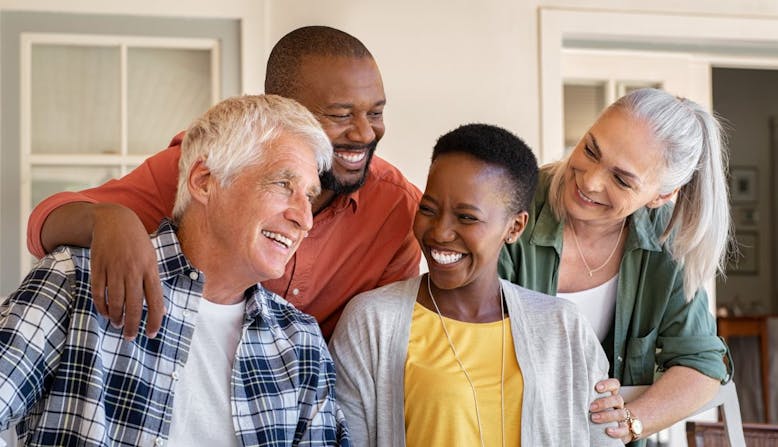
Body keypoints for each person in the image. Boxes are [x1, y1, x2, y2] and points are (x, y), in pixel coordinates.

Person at [25, 26, 421, 340]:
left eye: (376, 112)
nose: (365, 133)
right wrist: (107, 219)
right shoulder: (211, 165)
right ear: (283, 110)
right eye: (341, 114)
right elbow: (44, 225)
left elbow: (376, 343)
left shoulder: (397, 208)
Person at [0, 95, 349, 446]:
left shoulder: (300, 341)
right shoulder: (77, 279)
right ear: (204, 181)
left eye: (309, 196)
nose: (304, 219)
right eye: (282, 184)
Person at [329, 124, 621, 446]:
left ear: (514, 227)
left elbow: (602, 437)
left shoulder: (563, 327)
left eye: (466, 217)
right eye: (428, 209)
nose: (440, 232)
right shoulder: (373, 321)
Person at [498, 88, 732, 445]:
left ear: (662, 196)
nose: (590, 180)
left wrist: (630, 421)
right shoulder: (513, 203)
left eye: (622, 179)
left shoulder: (665, 243)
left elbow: (702, 365)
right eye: (591, 149)